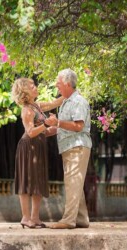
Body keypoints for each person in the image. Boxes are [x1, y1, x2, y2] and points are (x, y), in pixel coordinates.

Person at [11, 77, 63, 229]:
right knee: (27, 181)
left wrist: (69, 93)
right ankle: (26, 218)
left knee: (38, 181)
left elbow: (55, 103)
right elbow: (31, 132)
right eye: (32, 86)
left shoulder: (37, 106)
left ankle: (35, 218)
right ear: (25, 91)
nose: (36, 87)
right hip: (28, 147)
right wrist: (46, 124)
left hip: (38, 147)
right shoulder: (27, 110)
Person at [45, 69, 92, 229]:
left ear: (66, 83)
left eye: (58, 83)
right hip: (69, 146)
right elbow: (66, 126)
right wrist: (49, 130)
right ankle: (81, 219)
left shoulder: (78, 101)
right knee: (74, 183)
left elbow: (78, 126)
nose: (57, 86)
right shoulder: (66, 101)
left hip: (77, 146)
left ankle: (68, 220)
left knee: (72, 183)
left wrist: (57, 123)